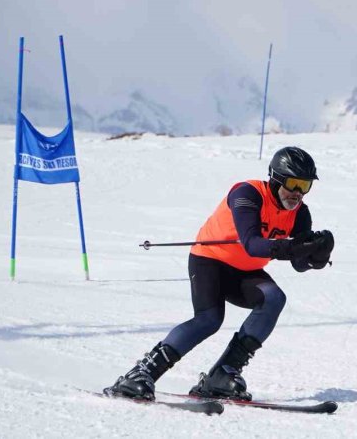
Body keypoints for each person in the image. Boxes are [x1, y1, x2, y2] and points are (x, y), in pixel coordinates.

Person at [104, 146, 334, 401]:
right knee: (209, 319)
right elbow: (251, 243)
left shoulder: (300, 213)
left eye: (305, 185)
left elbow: (299, 264)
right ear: (276, 178)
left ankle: (223, 374)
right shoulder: (247, 193)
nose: (298, 193)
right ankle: (140, 373)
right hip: (209, 262)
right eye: (293, 183)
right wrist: (292, 247)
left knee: (274, 298)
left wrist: (318, 255)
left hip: (244, 271)